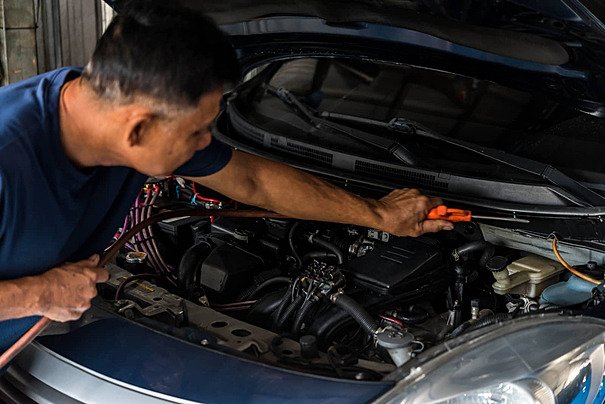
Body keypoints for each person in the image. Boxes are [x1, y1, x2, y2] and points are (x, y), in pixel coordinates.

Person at [0, 0, 452, 353]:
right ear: (137, 129)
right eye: (196, 132)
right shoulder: (8, 157)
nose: (205, 144)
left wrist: (379, 214)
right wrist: (40, 293)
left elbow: (253, 180)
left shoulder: (108, 109)